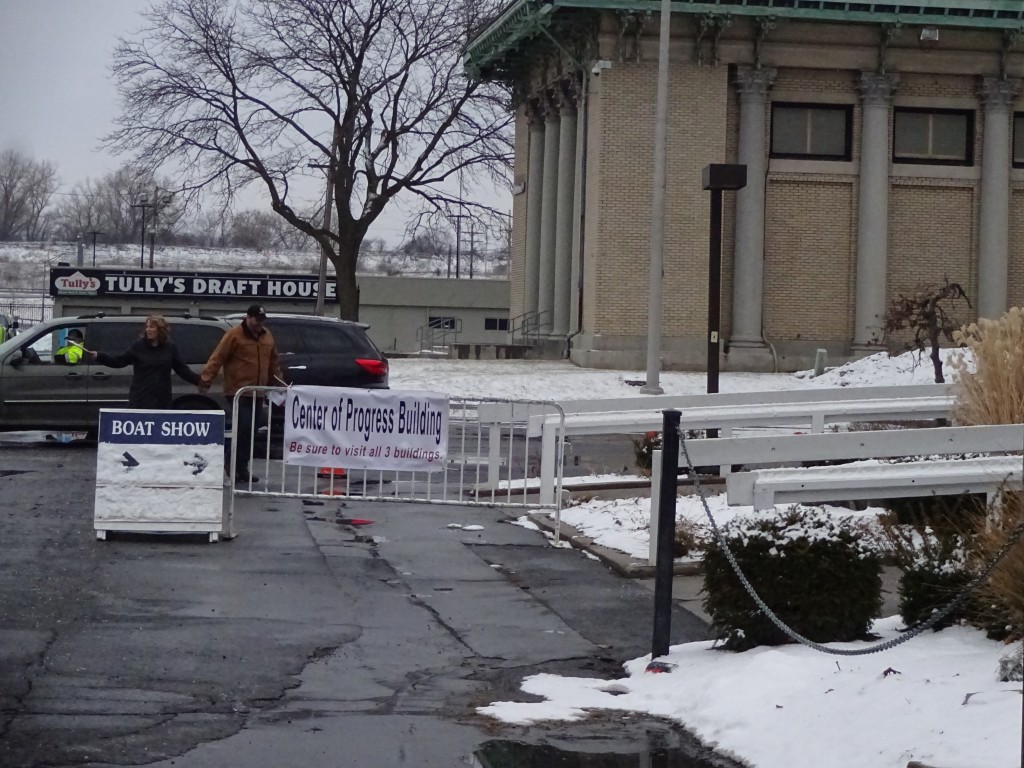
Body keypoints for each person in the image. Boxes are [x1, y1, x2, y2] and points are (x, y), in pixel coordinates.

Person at [198, 304, 284, 484]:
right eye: (256, 320)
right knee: (244, 427)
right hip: (238, 391)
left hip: (258, 392)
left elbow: (273, 362)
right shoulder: (234, 335)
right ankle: (231, 461)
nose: (259, 324)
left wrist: (278, 383)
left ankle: (241, 468)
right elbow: (217, 357)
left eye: (262, 320)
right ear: (248, 318)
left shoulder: (267, 336)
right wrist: (206, 379)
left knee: (251, 431)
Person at [89, 315, 200, 408]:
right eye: (147, 327)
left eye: (151, 327)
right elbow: (119, 361)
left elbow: (182, 369)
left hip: (162, 399)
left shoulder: (170, 348)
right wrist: (100, 356)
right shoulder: (139, 346)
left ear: (160, 329)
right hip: (140, 399)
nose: (148, 330)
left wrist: (201, 381)